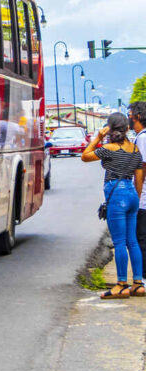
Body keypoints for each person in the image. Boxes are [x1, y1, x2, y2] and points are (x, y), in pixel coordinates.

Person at [81, 113, 145, 299]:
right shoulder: (135, 149)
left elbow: (85, 156)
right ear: (127, 128)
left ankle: (121, 285)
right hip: (132, 195)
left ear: (110, 129)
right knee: (132, 241)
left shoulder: (108, 148)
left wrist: (98, 138)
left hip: (117, 195)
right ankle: (138, 284)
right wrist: (135, 199)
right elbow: (139, 178)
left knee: (119, 243)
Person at [128, 102, 146, 253]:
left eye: (130, 115)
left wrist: (136, 198)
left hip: (143, 200)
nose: (129, 119)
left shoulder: (143, 138)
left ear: (138, 116)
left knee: (141, 239)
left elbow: (141, 169)